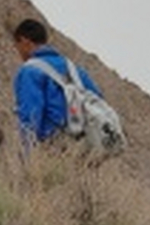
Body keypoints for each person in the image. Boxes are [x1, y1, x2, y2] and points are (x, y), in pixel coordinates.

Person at [11, 17, 105, 149]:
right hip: (82, 147)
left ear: (25, 41)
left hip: (52, 146)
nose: (18, 51)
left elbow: (30, 116)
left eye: (17, 45)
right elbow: (98, 100)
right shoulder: (75, 70)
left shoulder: (30, 71)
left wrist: (29, 154)